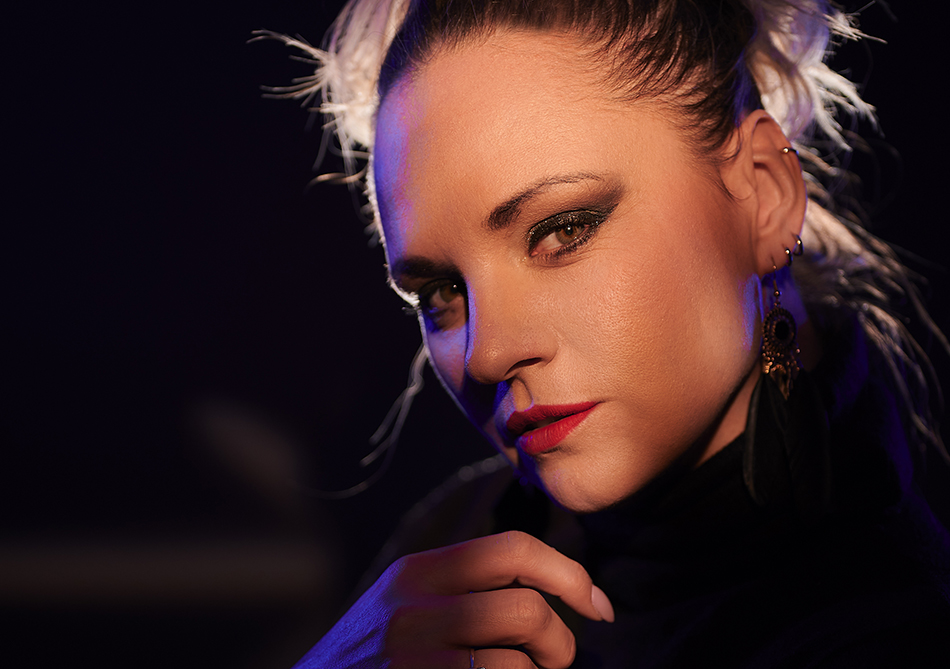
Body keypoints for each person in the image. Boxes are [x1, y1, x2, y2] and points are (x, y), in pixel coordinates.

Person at [261, 0, 950, 666]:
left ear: (766, 193)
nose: (488, 352)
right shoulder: (448, 557)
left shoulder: (889, 629)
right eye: (441, 291)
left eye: (564, 230)